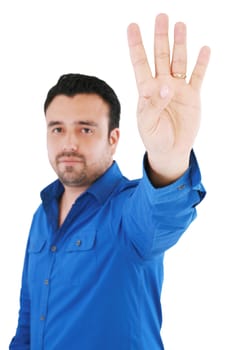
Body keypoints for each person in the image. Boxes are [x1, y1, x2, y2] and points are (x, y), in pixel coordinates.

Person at [9, 13, 210, 350]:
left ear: (114, 138)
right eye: (57, 128)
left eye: (85, 129)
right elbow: (28, 320)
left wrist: (169, 157)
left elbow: (162, 213)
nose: (69, 142)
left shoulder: (128, 211)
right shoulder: (40, 216)